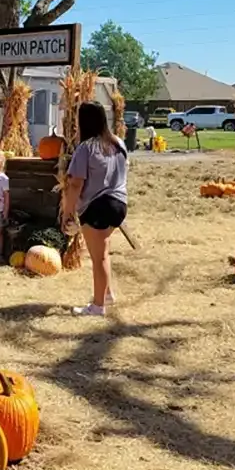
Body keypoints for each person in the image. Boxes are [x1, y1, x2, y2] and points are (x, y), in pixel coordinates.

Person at [61, 100, 128, 316]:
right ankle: (106, 294)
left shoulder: (86, 147)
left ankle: (97, 306)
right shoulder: (118, 143)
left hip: (97, 205)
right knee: (103, 252)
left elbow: (75, 183)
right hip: (119, 203)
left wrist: (68, 212)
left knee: (98, 257)